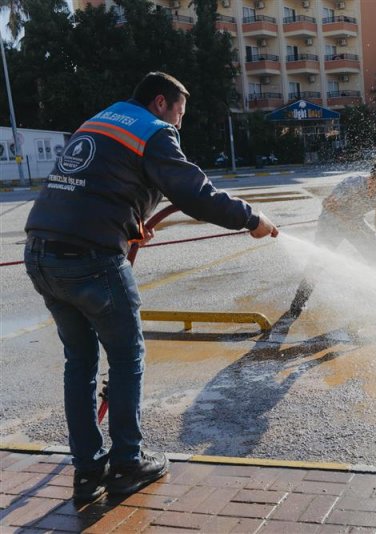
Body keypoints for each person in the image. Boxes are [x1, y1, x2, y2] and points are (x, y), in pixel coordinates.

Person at [24, 72, 279, 502]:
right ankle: (127, 461)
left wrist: (130, 224)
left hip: (41, 255)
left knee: (80, 362)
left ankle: (87, 469)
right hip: (91, 261)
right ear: (161, 103)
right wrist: (252, 219)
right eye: (179, 114)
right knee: (127, 358)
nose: (178, 125)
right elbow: (195, 192)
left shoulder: (99, 121)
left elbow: (90, 187)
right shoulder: (154, 131)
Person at [290, 156, 376, 315]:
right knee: (318, 262)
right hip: (331, 222)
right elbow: (327, 204)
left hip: (355, 222)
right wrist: (347, 221)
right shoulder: (353, 184)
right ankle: (298, 302)